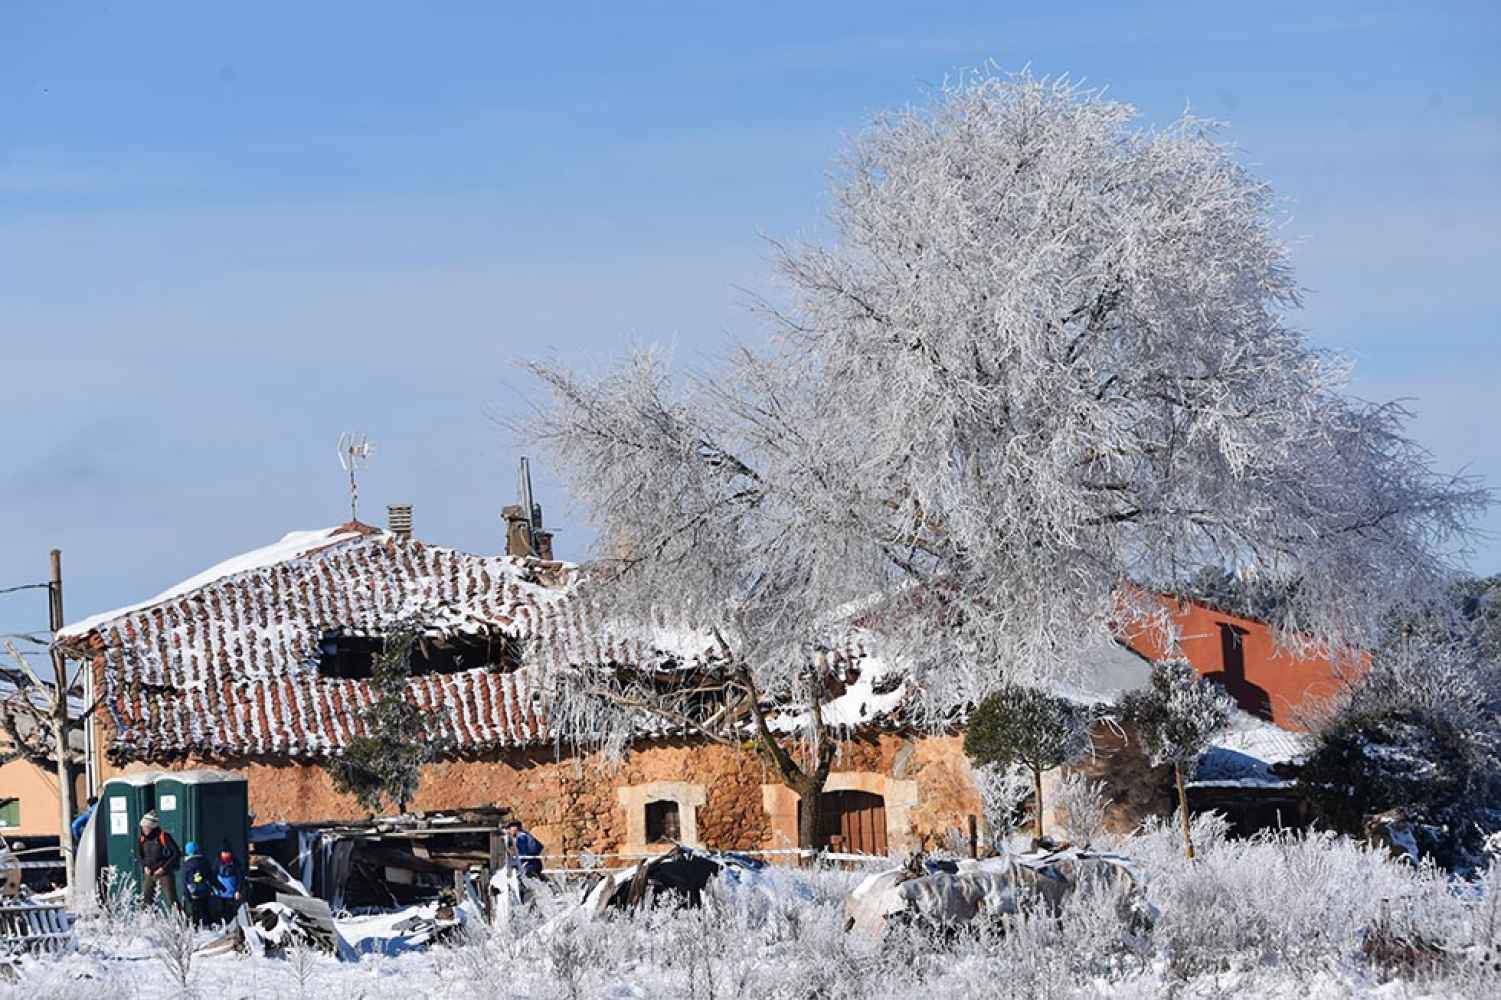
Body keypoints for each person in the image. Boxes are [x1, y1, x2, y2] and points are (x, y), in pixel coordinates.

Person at [136, 811, 181, 911]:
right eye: (143, 826)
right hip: (149, 873)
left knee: (171, 900)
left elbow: (176, 854)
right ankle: (146, 923)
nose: (144, 829)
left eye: (147, 827)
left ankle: (180, 923)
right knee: (146, 900)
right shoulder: (142, 839)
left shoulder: (164, 837)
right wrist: (145, 866)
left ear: (153, 827)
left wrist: (163, 868)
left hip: (164, 873)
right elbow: (139, 855)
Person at [180, 841, 215, 925]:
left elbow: (185, 881)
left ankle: (196, 928)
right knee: (205, 910)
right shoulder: (204, 862)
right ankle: (209, 926)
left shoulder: (186, 865)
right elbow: (210, 876)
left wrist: (187, 895)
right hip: (205, 890)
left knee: (195, 912)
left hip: (193, 892)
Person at [212, 844, 246, 921]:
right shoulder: (217, 862)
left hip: (231, 893)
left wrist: (238, 890)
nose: (226, 854)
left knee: (230, 911)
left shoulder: (235, 862)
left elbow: (240, 877)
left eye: (227, 852)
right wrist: (215, 887)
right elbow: (213, 876)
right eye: (224, 852)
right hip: (220, 893)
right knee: (220, 911)